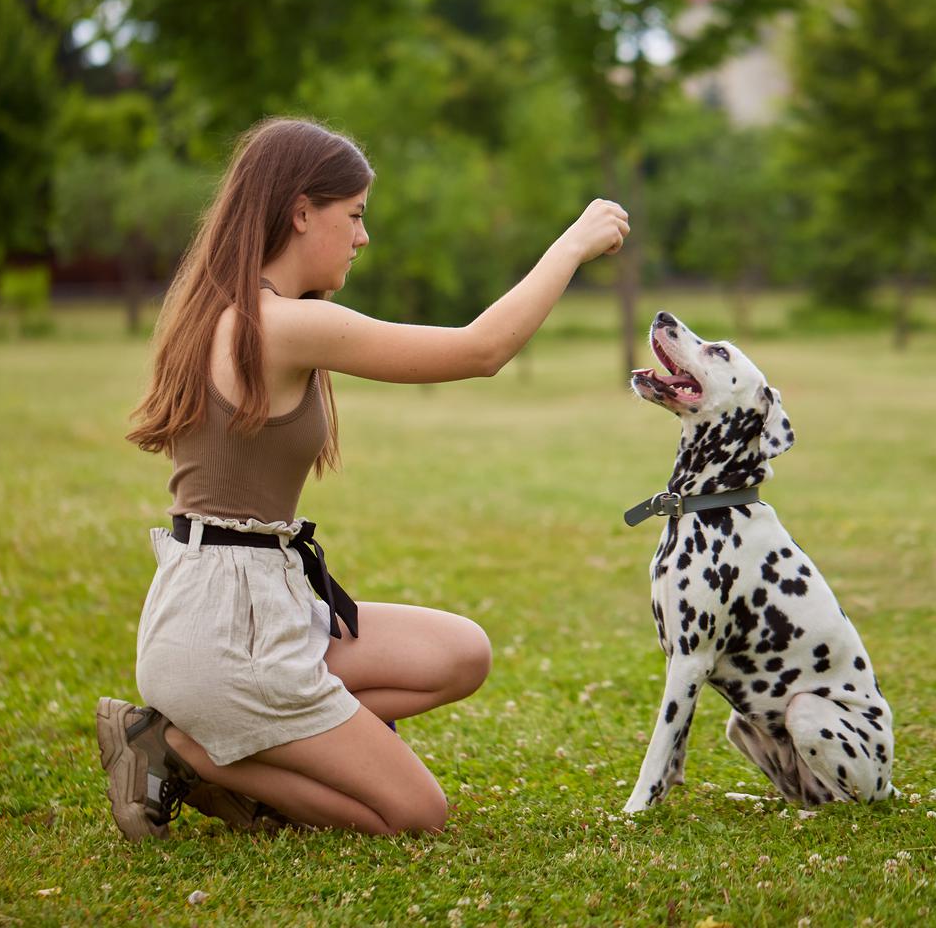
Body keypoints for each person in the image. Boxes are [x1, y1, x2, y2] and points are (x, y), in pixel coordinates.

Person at [95, 117, 630, 838]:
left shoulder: (232, 312)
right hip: (229, 635)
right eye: (353, 215)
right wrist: (572, 245)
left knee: (461, 653)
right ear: (300, 212)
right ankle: (183, 749)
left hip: (249, 606)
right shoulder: (278, 325)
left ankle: (226, 739)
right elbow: (480, 350)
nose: (362, 236)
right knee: (416, 815)